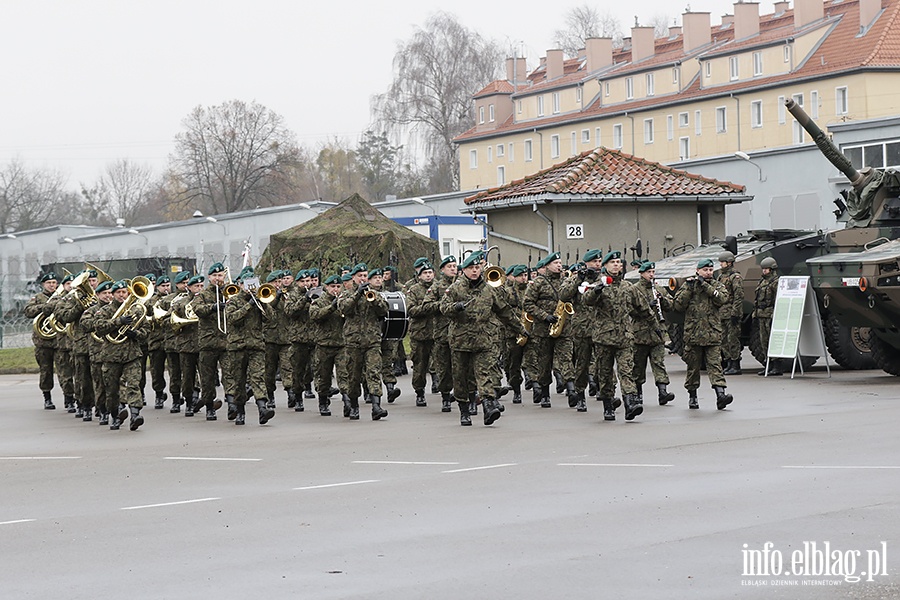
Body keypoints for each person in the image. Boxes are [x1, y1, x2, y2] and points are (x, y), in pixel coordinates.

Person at [440, 251, 525, 426]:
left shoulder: (488, 289)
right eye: (471, 268)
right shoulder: (456, 288)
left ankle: (488, 407)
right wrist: (455, 307)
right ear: (464, 270)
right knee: (461, 378)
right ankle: (464, 411)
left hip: (483, 341)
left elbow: (504, 311)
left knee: (484, 374)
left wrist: (520, 329)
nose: (474, 271)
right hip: (460, 341)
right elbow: (443, 307)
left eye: (477, 267)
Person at [582, 251, 650, 421]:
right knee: (605, 374)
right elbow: (587, 300)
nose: (616, 265)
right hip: (604, 338)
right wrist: (596, 291)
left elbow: (643, 308)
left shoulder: (628, 287)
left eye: (618, 262)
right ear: (605, 266)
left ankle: (630, 405)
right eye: (612, 262)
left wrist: (656, 326)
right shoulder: (597, 284)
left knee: (626, 371)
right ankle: (608, 405)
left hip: (624, 338)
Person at [672, 259, 734, 410]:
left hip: (712, 334)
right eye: (705, 270)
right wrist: (690, 287)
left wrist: (704, 285)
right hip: (693, 334)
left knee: (715, 365)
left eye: (710, 270)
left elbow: (722, 299)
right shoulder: (689, 286)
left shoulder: (716, 285)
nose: (708, 272)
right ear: (698, 270)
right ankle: (692, 396)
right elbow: (678, 305)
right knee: (693, 368)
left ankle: (721, 395)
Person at [523, 252, 578, 408]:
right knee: (544, 362)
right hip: (543, 329)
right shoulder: (538, 282)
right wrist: (544, 316)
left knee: (566, 359)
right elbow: (527, 304)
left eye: (560, 263)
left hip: (564, 328)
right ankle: (545, 394)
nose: (559, 265)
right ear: (547, 266)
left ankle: (572, 390)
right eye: (555, 263)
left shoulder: (566, 281)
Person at [337, 263, 390, 421]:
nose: (363, 279)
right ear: (353, 278)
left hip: (372, 340)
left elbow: (384, 310)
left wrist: (373, 300)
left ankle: (376, 406)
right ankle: (353, 405)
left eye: (365, 276)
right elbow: (343, 309)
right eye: (360, 276)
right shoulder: (346, 293)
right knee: (353, 376)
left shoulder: (374, 293)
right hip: (353, 341)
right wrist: (357, 295)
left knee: (374, 372)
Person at [95, 280, 149, 431]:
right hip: (111, 356)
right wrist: (119, 321)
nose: (121, 295)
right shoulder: (105, 311)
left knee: (133, 385)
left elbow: (146, 331)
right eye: (118, 292)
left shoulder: (136, 310)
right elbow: (99, 328)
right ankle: (115, 416)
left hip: (132, 355)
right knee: (112, 390)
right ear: (112, 295)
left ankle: (135, 415)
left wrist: (135, 333)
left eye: (124, 292)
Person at [224, 278, 275, 426]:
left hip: (256, 346)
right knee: (239, 380)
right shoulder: (233, 301)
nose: (249, 288)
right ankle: (240, 411)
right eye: (245, 285)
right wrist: (248, 305)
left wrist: (263, 303)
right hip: (237, 347)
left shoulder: (259, 299)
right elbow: (232, 318)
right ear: (240, 285)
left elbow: (271, 319)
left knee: (258, 377)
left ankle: (262, 409)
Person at [631, 262, 676, 406]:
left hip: (657, 333)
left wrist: (663, 301)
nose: (651, 274)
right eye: (648, 272)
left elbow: (671, 305)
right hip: (640, 333)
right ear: (641, 273)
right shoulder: (635, 289)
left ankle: (663, 392)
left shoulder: (658, 288)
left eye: (653, 271)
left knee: (659, 363)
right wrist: (644, 308)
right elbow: (629, 309)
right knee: (638, 365)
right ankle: (637, 393)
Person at [191, 263, 228, 420]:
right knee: (207, 378)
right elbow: (197, 309)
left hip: (227, 340)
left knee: (230, 374)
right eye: (215, 276)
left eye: (220, 276)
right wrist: (213, 307)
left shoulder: (229, 291)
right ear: (210, 277)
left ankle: (233, 404)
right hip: (208, 342)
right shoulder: (203, 294)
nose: (218, 279)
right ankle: (209, 406)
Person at [422, 255, 457, 412]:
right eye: (449, 266)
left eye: (455, 266)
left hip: (461, 334)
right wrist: (445, 305)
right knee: (444, 368)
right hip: (442, 334)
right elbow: (426, 306)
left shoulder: (461, 285)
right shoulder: (436, 287)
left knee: (463, 368)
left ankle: (468, 397)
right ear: (442, 269)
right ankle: (445, 396)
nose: (453, 269)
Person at [309, 274, 345, 416]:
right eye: (332, 287)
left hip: (341, 344)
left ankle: (348, 402)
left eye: (338, 286)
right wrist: (331, 307)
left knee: (344, 375)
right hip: (323, 344)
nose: (335, 289)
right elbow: (315, 316)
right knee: (323, 377)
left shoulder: (344, 300)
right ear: (326, 287)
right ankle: (323, 402)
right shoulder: (319, 300)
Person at [23, 272, 60, 410]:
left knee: (64, 372)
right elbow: (28, 311)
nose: (52, 285)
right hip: (43, 341)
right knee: (46, 371)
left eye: (54, 283)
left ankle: (69, 398)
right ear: (43, 284)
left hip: (59, 340)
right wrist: (44, 308)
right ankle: (47, 398)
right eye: (49, 283)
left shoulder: (60, 297)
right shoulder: (37, 298)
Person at [368, 268, 402, 403]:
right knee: (371, 366)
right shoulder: (365, 293)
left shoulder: (387, 294)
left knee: (387, 362)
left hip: (386, 332)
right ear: (369, 280)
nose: (378, 279)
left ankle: (390, 389)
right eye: (374, 278)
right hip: (370, 335)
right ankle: (369, 392)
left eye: (379, 277)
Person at [284, 269, 315, 411]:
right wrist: (305, 300)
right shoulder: (292, 295)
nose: (306, 284)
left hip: (315, 338)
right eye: (303, 281)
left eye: (308, 281)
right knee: (298, 371)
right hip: (299, 338)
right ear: (297, 283)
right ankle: (297, 397)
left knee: (317, 368)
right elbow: (290, 312)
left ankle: (323, 399)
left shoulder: (317, 293)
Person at [405, 261, 435, 407]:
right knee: (420, 365)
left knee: (441, 364)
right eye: (425, 273)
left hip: (437, 332)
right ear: (419, 276)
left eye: (430, 272)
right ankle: (420, 392)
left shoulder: (438, 288)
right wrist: (427, 308)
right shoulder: (414, 290)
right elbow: (411, 310)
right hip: (420, 333)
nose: (428, 275)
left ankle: (443, 389)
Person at [172, 275, 203, 417]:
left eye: (202, 286)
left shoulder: (207, 300)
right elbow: (169, 321)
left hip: (204, 343)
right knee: (188, 377)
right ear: (189, 287)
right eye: (196, 286)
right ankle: (189, 402)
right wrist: (184, 321)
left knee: (206, 376)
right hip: (186, 345)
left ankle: (206, 400)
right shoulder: (180, 303)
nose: (199, 289)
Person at [499, 264, 529, 404]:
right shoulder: (508, 292)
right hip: (512, 332)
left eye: (525, 275)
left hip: (530, 330)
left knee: (533, 361)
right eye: (521, 276)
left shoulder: (531, 289)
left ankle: (537, 386)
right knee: (513, 363)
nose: (524, 278)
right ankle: (516, 390)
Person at [717, 251, 745, 376]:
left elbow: (738, 296)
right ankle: (728, 363)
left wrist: (735, 313)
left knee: (732, 339)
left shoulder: (735, 277)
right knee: (723, 339)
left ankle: (735, 364)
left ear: (729, 263)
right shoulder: (720, 277)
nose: (721, 265)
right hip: (722, 313)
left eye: (722, 262)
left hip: (731, 313)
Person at [754, 256, 782, 376]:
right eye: (763, 269)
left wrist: (775, 315)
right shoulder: (762, 281)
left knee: (773, 340)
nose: (764, 271)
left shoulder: (776, 282)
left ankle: (777, 366)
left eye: (766, 269)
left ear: (772, 269)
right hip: (761, 314)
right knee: (763, 341)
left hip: (770, 315)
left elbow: (778, 299)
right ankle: (768, 365)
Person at [146, 275, 171, 409]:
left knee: (174, 371)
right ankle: (159, 394)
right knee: (157, 370)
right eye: (163, 286)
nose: (166, 288)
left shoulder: (174, 299)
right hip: (156, 340)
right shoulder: (150, 301)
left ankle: (177, 396)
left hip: (171, 340)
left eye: (168, 285)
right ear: (157, 287)